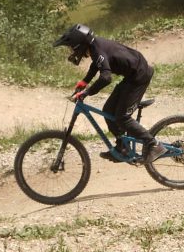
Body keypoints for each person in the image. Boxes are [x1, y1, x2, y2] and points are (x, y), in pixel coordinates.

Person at [58, 23, 152, 158]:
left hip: (139, 76)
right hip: (132, 76)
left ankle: (153, 144)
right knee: (108, 111)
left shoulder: (97, 50)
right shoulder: (94, 47)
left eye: (72, 47)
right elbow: (97, 63)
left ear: (79, 44)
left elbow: (106, 78)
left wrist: (86, 92)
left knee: (123, 118)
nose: (72, 51)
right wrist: (85, 81)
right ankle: (122, 147)